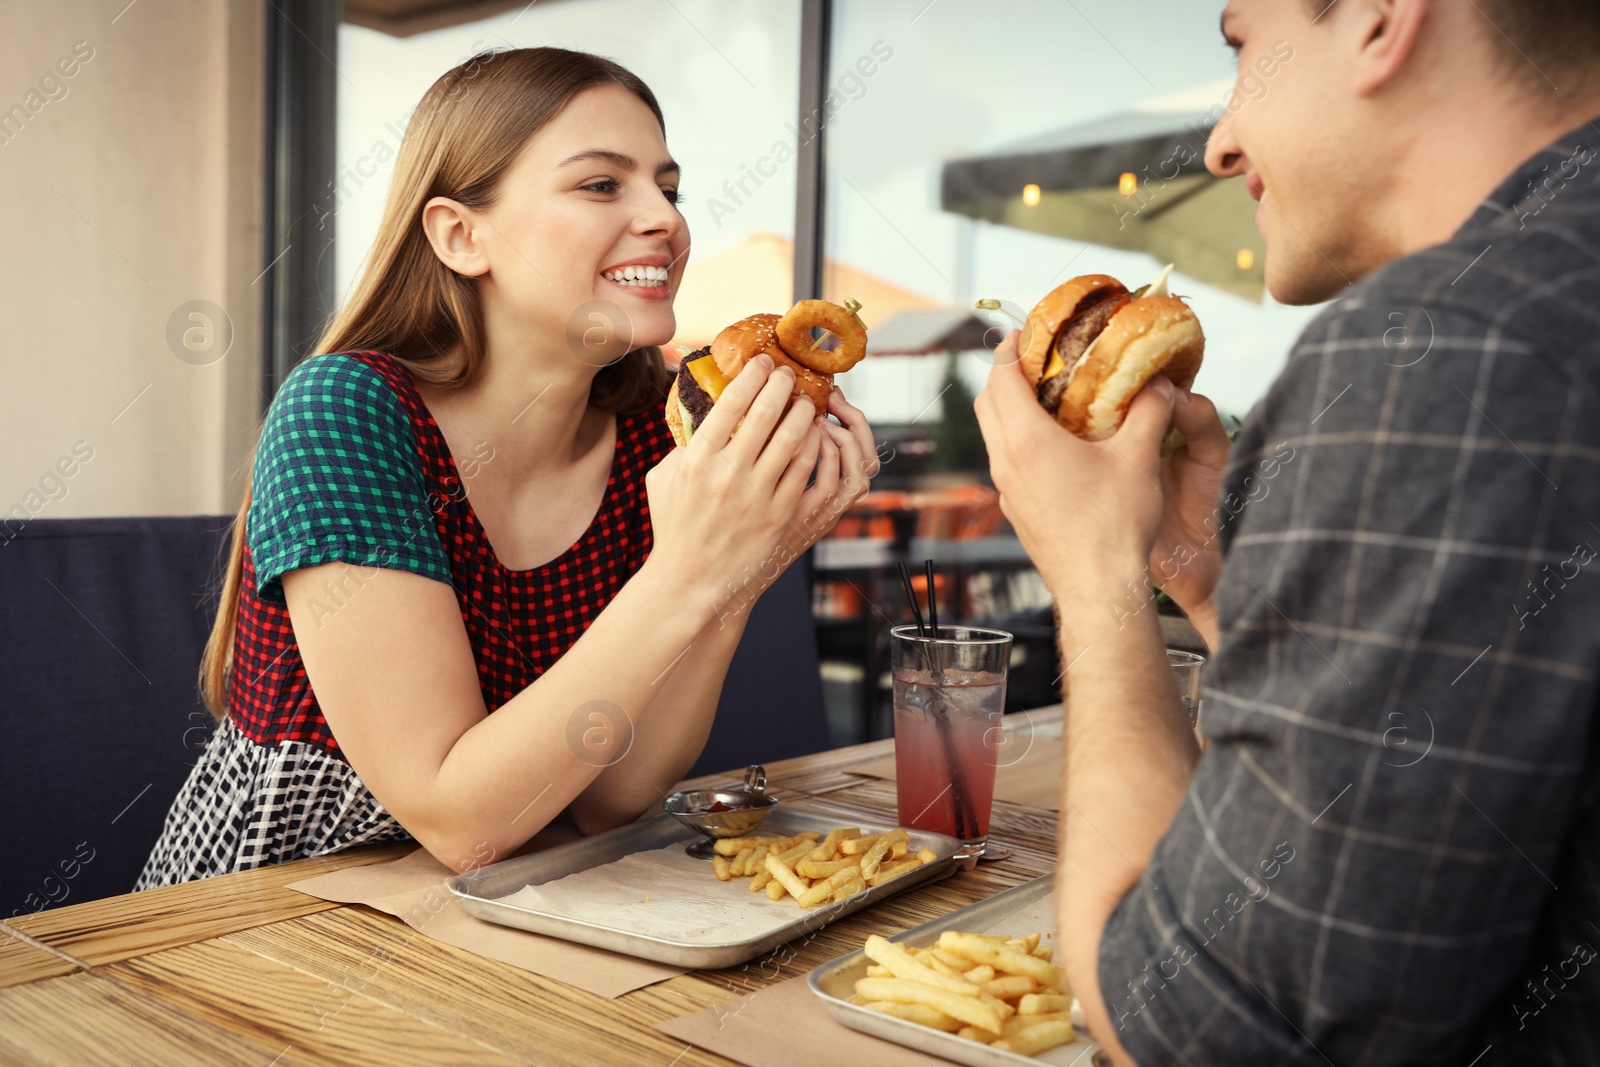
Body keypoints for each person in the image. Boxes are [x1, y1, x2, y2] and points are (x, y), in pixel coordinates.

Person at [976, 0, 1600, 1062]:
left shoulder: (1442, 346)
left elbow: (1195, 1028)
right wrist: (1223, 593)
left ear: (1377, 19)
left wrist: (1095, 578)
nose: (1221, 139)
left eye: (1239, 46)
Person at [137, 48, 877, 888]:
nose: (665, 220)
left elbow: (613, 797)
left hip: (511, 899)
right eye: (603, 185)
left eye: (667, 189)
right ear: (461, 235)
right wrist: (691, 568)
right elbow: (460, 821)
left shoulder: (653, 433)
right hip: (260, 908)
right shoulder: (347, 414)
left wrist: (742, 571)